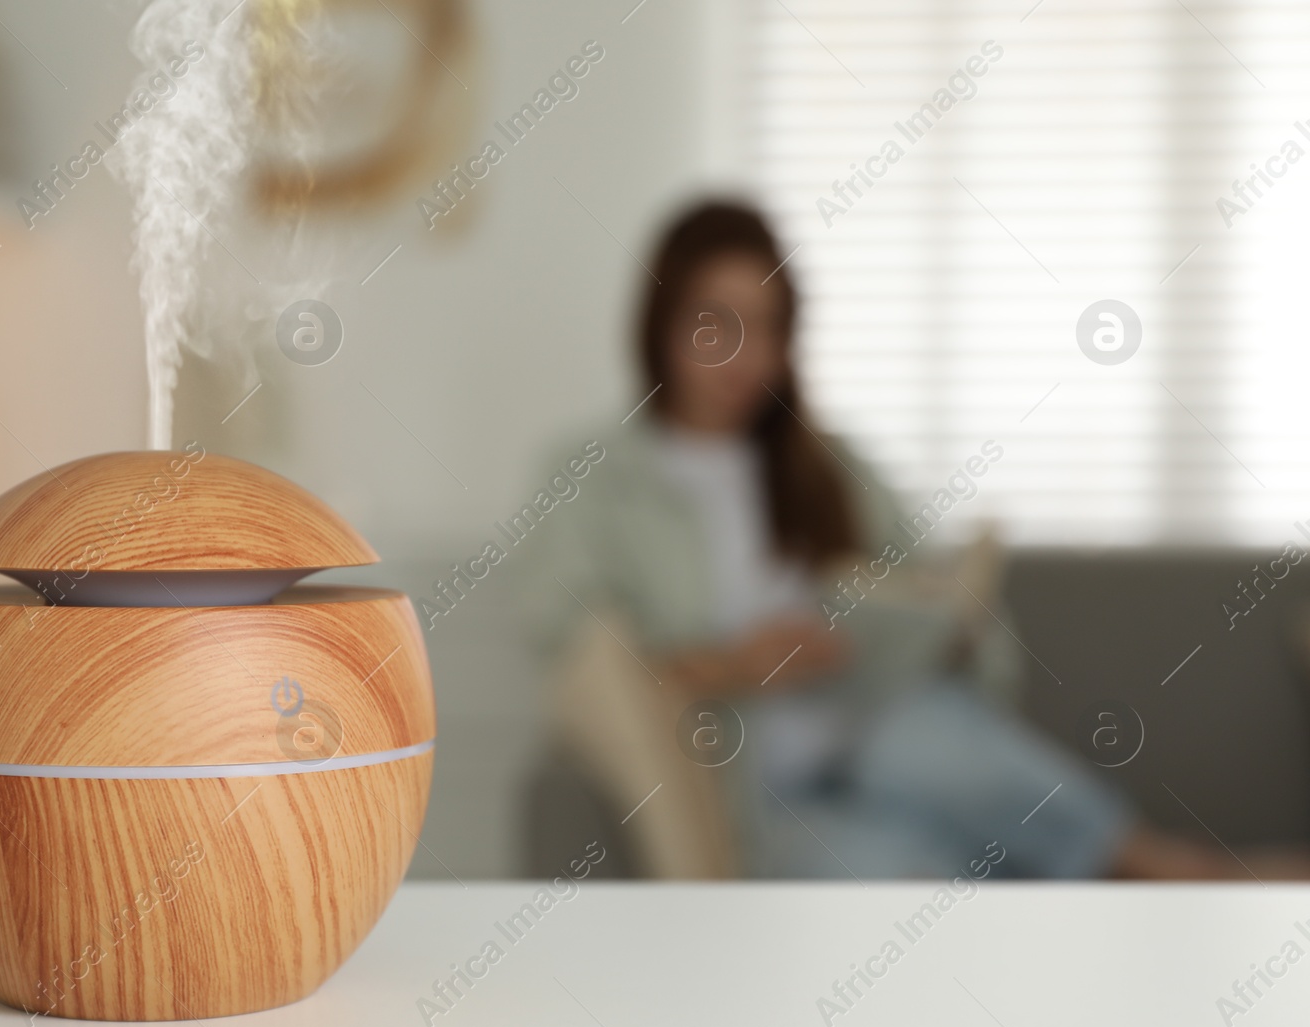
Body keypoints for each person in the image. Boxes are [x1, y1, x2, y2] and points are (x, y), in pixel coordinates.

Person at [519, 200, 1301, 879]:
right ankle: (1147, 882)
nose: (739, 353)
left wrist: (935, 626)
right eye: (713, 323)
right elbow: (582, 656)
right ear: (661, 322)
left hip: (881, 729)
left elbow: (927, 590)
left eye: (763, 326)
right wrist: (740, 663)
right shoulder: (593, 477)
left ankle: (1162, 869)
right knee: (905, 877)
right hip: (762, 788)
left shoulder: (829, 463)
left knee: (920, 746)